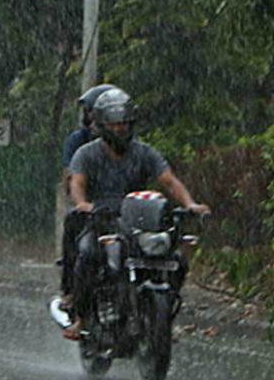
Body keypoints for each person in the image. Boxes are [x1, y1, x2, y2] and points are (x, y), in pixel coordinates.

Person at [61, 89, 211, 340]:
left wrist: (190, 204)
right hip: (101, 219)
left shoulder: (144, 152)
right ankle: (81, 318)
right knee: (87, 255)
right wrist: (83, 204)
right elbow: (77, 183)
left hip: (138, 220)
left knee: (176, 258)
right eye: (114, 123)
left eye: (124, 123)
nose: (120, 128)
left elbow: (169, 181)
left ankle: (161, 318)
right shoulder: (86, 153)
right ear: (101, 125)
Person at [57, 84, 118, 309]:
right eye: (89, 112)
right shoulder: (78, 142)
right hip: (92, 207)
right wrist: (83, 200)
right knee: (74, 225)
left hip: (122, 207)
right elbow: (71, 178)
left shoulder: (127, 143)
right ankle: (70, 289)